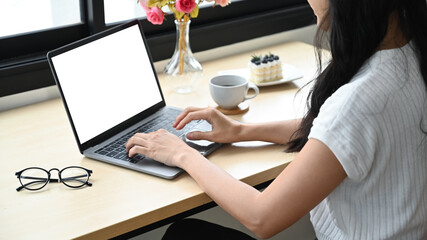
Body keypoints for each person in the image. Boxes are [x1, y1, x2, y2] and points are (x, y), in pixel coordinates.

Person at [125, 0, 427, 238]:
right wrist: (241, 131)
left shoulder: (359, 101)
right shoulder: (411, 53)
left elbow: (261, 217)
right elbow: (338, 137)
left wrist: (183, 154)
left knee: (183, 234)